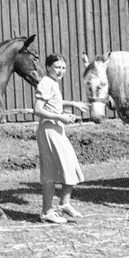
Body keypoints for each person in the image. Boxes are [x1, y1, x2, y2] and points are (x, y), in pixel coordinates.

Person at [33, 54, 88, 224]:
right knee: (50, 170)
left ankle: (64, 203)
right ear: (48, 67)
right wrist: (60, 116)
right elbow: (37, 109)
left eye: (63, 68)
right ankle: (47, 212)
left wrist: (73, 104)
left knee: (70, 165)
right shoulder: (46, 82)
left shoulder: (52, 83)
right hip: (48, 130)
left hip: (57, 129)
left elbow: (54, 101)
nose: (60, 71)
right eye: (57, 67)